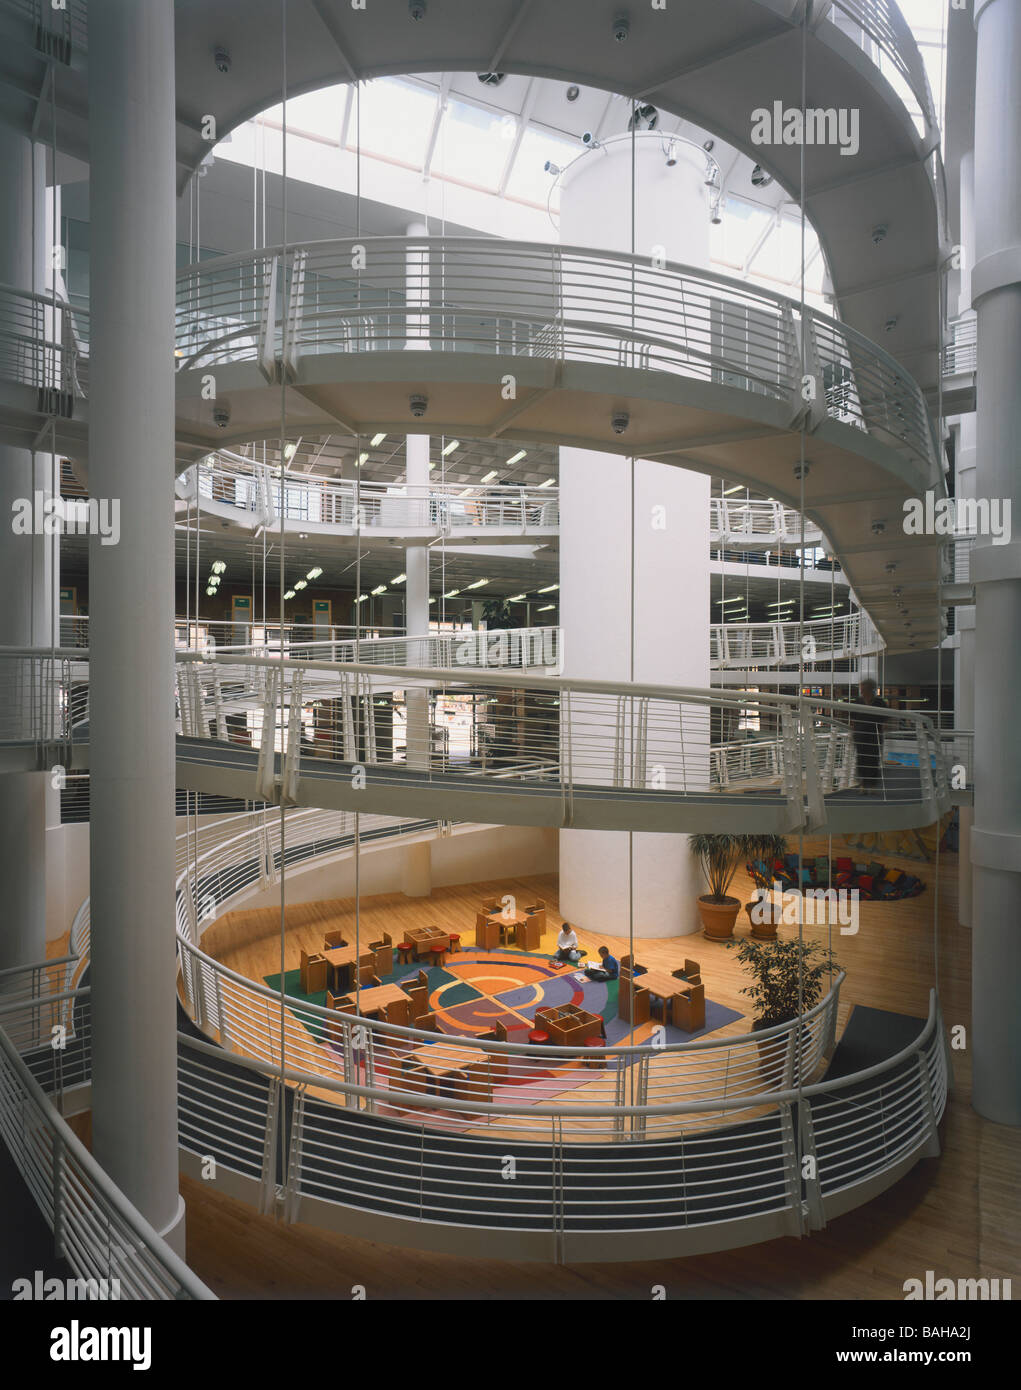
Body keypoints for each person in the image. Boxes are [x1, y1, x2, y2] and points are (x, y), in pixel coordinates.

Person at [850, 677, 888, 794]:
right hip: (860, 735)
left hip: (874, 735)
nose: (861, 690)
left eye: (863, 688)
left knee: (873, 759)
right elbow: (852, 718)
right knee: (861, 759)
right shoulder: (857, 702)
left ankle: (871, 785)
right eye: (861, 688)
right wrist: (854, 732)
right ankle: (863, 784)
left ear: (870, 689)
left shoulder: (880, 703)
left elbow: (884, 719)